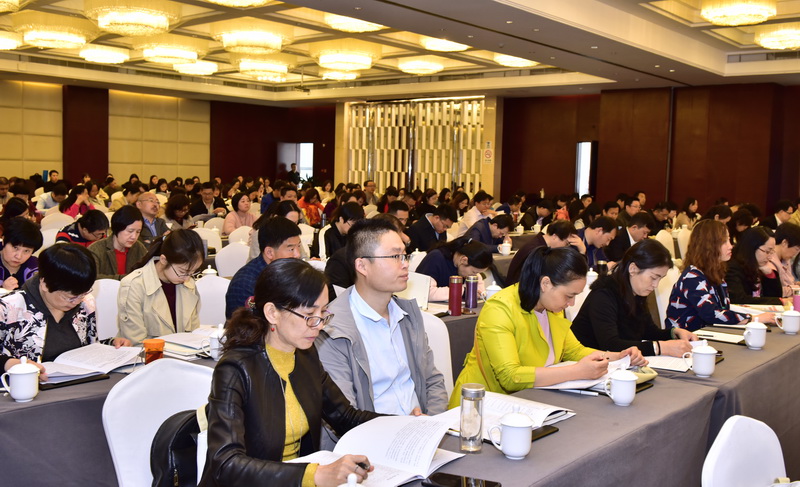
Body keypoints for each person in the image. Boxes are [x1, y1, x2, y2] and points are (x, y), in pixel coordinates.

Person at [200, 259, 380, 487]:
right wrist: (314, 475)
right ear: (272, 313)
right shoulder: (235, 369)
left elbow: (346, 417)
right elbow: (226, 464)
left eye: (323, 312)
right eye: (309, 314)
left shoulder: (304, 355)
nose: (319, 324)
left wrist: (406, 424)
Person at [449, 247, 646, 407]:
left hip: (529, 400)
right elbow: (510, 376)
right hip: (481, 405)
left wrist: (618, 357)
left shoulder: (551, 306)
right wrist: (578, 371)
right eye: (569, 296)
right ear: (545, 283)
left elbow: (574, 351)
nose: (571, 303)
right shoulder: (500, 308)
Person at [315, 219, 447, 444]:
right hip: (369, 445)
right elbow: (344, 417)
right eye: (395, 256)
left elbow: (432, 380)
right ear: (362, 266)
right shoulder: (332, 329)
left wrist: (429, 424)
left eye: (405, 256)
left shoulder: (408, 315)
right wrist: (403, 428)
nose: (405, 265)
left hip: (421, 435)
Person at [0, 244, 131, 376]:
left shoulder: (86, 303)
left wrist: (111, 344)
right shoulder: (9, 307)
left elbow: (88, 348)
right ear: (44, 284)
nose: (77, 302)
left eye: (83, 294)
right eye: (69, 297)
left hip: (79, 381)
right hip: (27, 385)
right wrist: (9, 364)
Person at [572, 239, 698, 357]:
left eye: (660, 279)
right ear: (633, 269)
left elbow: (649, 331)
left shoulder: (635, 293)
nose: (655, 285)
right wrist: (660, 348)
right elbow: (611, 344)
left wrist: (674, 333)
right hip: (585, 363)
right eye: (653, 277)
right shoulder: (603, 294)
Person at [666, 220, 773, 330]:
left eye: (729, 240)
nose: (730, 246)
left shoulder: (715, 272)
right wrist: (753, 319)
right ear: (709, 245)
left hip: (709, 332)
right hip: (689, 337)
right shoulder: (692, 276)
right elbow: (711, 314)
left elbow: (724, 309)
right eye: (724, 242)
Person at [117, 230, 204, 345]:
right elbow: (135, 342)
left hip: (184, 353)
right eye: (182, 271)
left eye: (192, 272)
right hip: (149, 354)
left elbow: (193, 334)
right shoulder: (134, 285)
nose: (187, 278)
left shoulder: (188, 284)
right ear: (163, 260)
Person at [225, 217, 302, 318]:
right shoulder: (246, 283)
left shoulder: (291, 272)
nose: (297, 254)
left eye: (299, 246)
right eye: (291, 249)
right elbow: (249, 325)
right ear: (269, 252)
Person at [506, 220, 583, 286]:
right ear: (554, 236)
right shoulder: (538, 251)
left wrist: (582, 251)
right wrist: (582, 252)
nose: (566, 247)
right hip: (518, 292)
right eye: (566, 243)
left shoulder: (540, 243)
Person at [416, 237, 492, 301]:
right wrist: (462, 291)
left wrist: (479, 293)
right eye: (474, 272)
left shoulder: (465, 266)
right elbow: (425, 293)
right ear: (463, 260)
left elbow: (479, 290)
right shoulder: (436, 258)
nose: (474, 275)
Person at [725, 227, 783, 305]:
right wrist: (778, 301)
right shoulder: (733, 268)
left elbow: (776, 297)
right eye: (767, 251)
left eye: (772, 252)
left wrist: (770, 275)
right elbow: (738, 299)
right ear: (752, 247)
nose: (770, 256)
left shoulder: (759, 267)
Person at [88, 205, 148, 280]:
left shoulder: (139, 248)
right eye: (130, 231)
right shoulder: (95, 250)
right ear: (117, 228)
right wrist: (125, 279)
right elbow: (90, 278)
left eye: (138, 232)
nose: (134, 236)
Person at [0, 217, 42, 291]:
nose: (18, 256)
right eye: (15, 248)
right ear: (3, 240)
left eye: (26, 251)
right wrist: (3, 290)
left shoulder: (35, 267)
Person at [773, 223, 800, 292]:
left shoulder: (785, 259)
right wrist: (796, 288)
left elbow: (789, 283)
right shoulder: (769, 261)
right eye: (796, 249)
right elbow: (777, 291)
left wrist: (796, 284)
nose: (796, 254)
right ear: (784, 243)